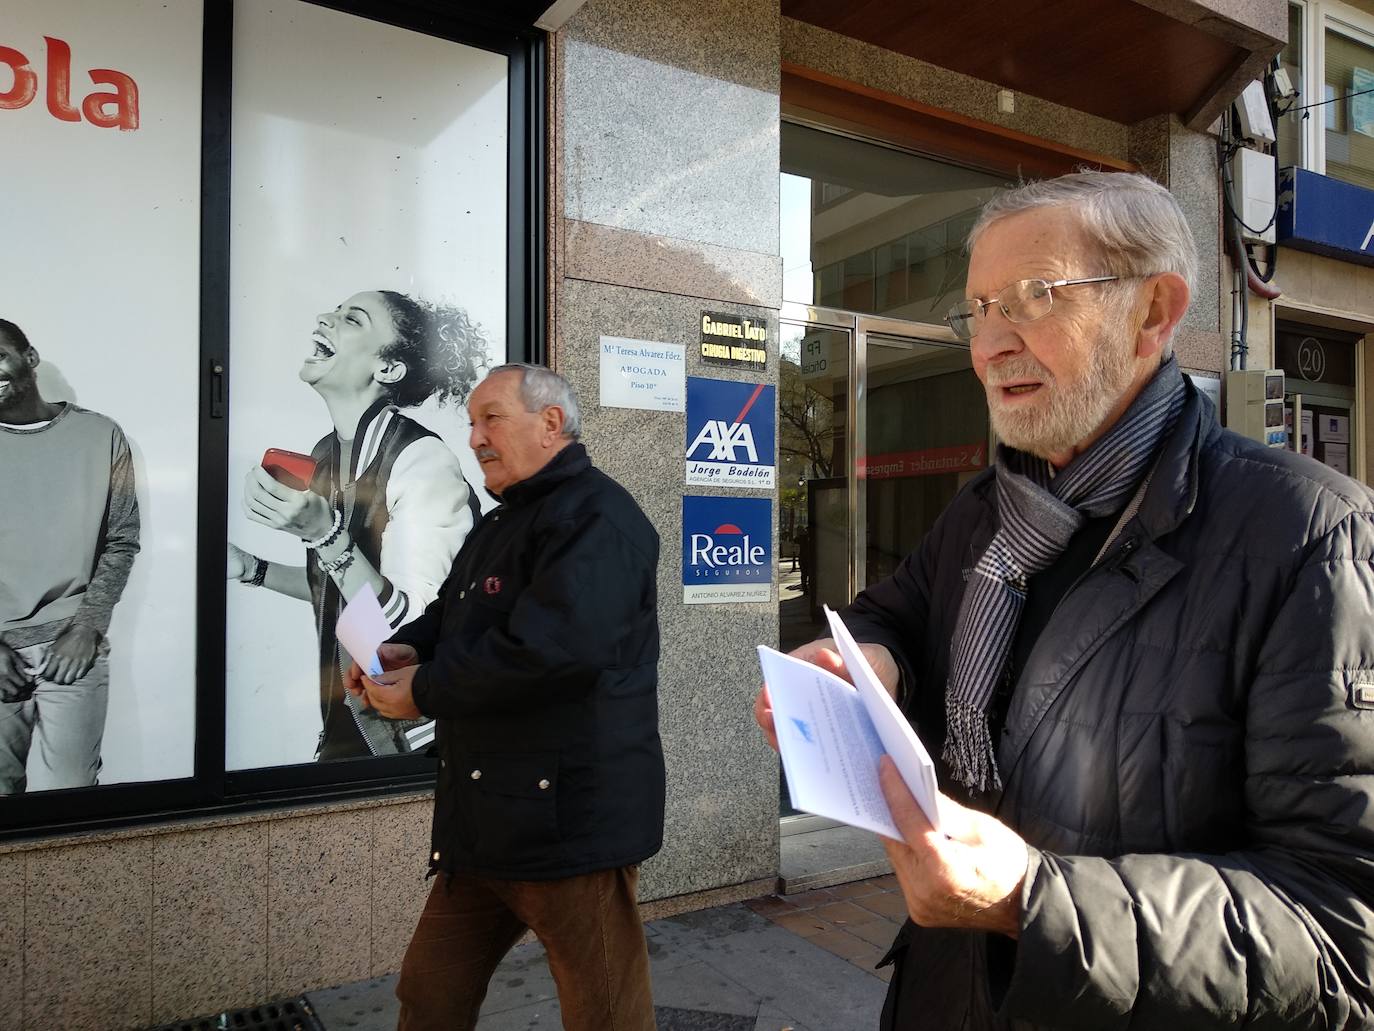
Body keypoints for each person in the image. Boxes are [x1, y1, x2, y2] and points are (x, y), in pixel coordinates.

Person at [755, 172, 1374, 1028]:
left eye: (1031, 297)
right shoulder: (985, 511)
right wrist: (865, 660)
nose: (989, 345)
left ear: (1154, 312)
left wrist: (1033, 900)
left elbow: (1340, 927)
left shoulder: (1307, 533)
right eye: (976, 309)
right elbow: (892, 611)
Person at [349, 364, 664, 1031]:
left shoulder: (600, 518)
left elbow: (555, 651)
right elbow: (452, 613)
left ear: (551, 423)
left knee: (606, 1014)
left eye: (490, 417)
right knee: (429, 995)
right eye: (470, 422)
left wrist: (426, 689)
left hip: (569, 827)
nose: (474, 437)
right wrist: (406, 649)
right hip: (484, 825)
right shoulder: (503, 522)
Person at [228, 290, 484, 760]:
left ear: (387, 368)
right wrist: (250, 568)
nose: (325, 317)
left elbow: (408, 624)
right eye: (334, 310)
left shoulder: (422, 462)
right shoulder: (326, 454)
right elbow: (341, 595)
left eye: (353, 319)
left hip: (412, 744)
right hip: (351, 726)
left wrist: (323, 536)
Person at [0, 318, 140, 793]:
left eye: (0, 356)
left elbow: (121, 540)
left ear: (30, 358)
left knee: (72, 799)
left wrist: (87, 627)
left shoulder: (100, 436)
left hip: (73, 645)